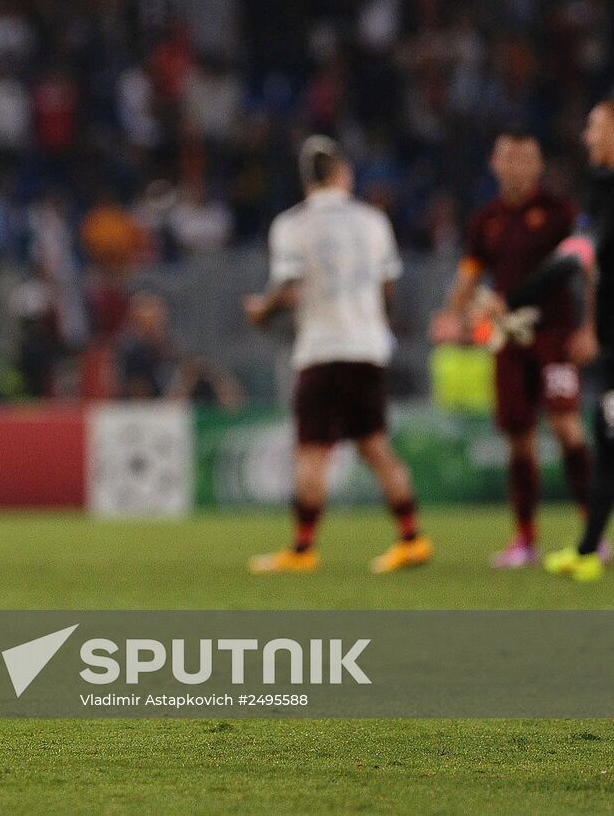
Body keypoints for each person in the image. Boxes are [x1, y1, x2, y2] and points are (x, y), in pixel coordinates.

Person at [243, 135, 430, 575]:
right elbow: (388, 288)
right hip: (368, 347)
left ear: (307, 179)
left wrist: (261, 311)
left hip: (322, 348)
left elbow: (286, 287)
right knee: (376, 447)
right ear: (341, 173)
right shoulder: (373, 222)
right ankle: (412, 538)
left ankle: (303, 549)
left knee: (311, 451)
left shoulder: (291, 225)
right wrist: (377, 323)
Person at [431, 131, 595, 568]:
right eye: (509, 157)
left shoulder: (561, 214)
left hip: (554, 337)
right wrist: (452, 313)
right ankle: (524, 540)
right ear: (495, 163)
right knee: (518, 440)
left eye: (525, 158)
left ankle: (592, 532)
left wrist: (591, 327)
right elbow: (470, 273)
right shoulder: (486, 220)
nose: (517, 166)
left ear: (538, 165)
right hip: (506, 339)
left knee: (566, 428)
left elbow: (587, 271)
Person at [547, 100, 614, 581]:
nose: (587, 135)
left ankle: (589, 550)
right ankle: (589, 551)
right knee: (606, 441)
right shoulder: (601, 190)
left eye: (595, 126)